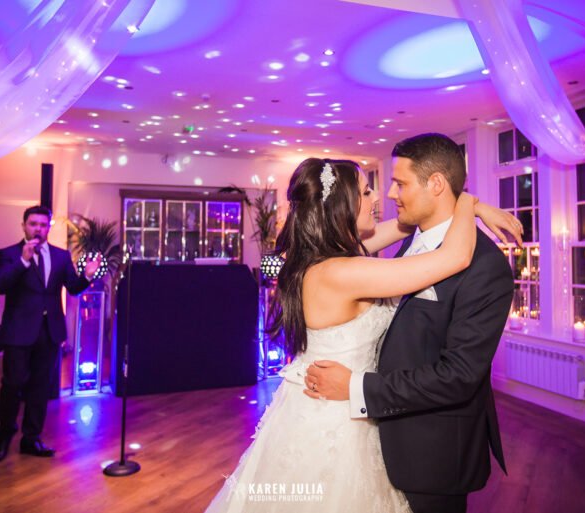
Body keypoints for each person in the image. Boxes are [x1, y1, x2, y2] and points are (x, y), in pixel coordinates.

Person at [204, 153, 520, 512]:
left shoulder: (324, 256)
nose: (380, 198)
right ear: (343, 205)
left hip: (331, 408)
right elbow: (455, 256)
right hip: (336, 419)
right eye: (367, 191)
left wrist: (458, 207)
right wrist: (467, 201)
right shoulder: (342, 271)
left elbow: (406, 224)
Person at [305, 133, 517, 513]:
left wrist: (356, 387)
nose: (387, 195)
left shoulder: (485, 267)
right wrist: (471, 204)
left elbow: (458, 376)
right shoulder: (393, 248)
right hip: (369, 436)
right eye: (372, 190)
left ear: (435, 184)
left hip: (432, 453)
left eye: (399, 183)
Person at [0, 205, 100, 463]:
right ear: (24, 226)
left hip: (49, 332)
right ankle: (4, 436)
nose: (38, 229)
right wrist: (23, 261)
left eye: (43, 224)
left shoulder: (61, 256)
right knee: (13, 385)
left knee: (40, 388)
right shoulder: (8, 254)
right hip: (19, 332)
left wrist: (87, 276)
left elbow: (72, 288)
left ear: (49, 227)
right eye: (33, 224)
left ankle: (31, 439)